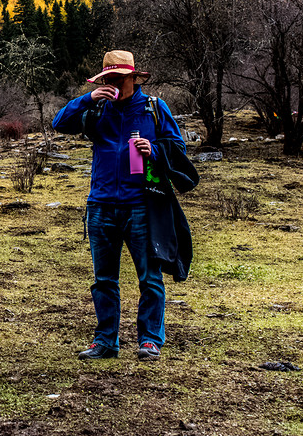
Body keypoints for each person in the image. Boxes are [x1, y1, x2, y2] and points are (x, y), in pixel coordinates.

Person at [52, 50, 196, 361]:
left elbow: (178, 148)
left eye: (119, 79)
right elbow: (59, 123)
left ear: (133, 78)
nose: (114, 85)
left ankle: (150, 340)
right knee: (103, 280)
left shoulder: (153, 108)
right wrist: (88, 98)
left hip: (141, 205)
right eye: (109, 79)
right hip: (100, 205)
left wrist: (154, 150)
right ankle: (106, 341)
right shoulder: (97, 110)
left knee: (150, 277)